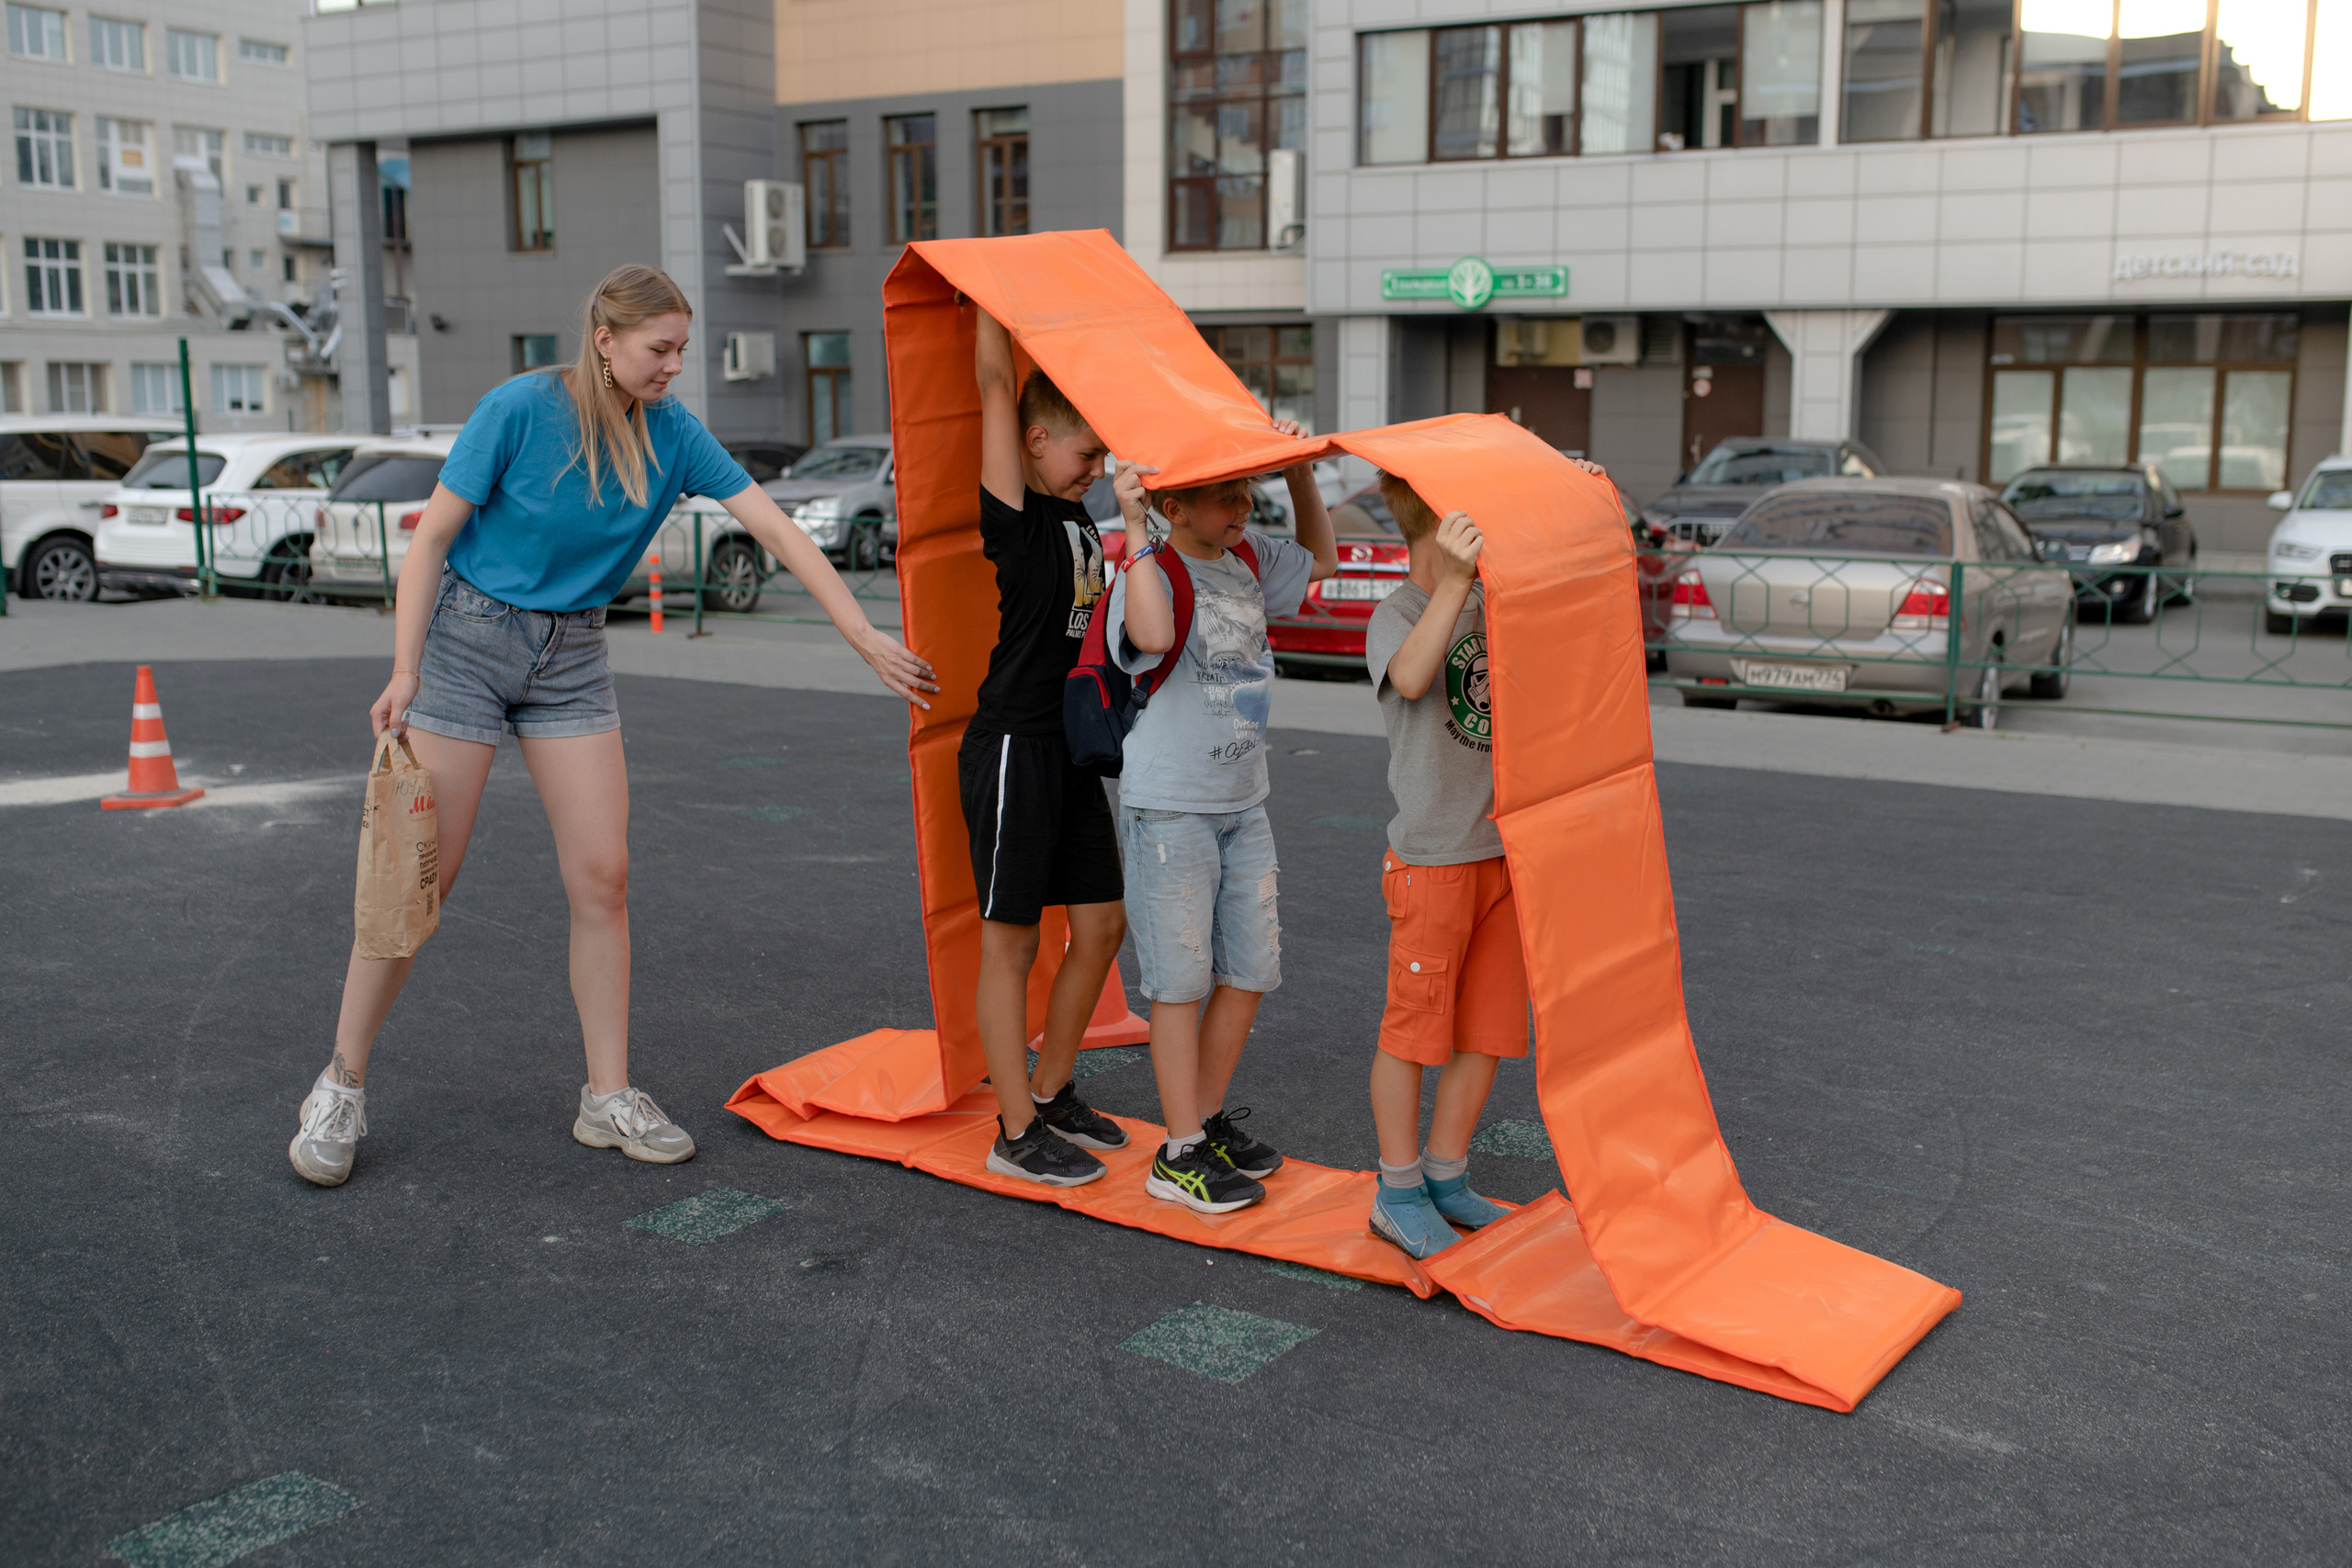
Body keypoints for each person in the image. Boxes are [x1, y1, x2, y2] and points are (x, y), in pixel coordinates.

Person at [288, 265, 936, 1189]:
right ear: (606, 338)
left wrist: (863, 634)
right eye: (659, 348)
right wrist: (404, 670)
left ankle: (607, 1095)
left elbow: (782, 532)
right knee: (416, 882)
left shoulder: (672, 435)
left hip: (574, 660)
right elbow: (430, 539)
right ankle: (340, 1084)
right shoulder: (517, 407)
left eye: (682, 349)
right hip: (466, 647)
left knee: (605, 875)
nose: (675, 365)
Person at [1358, 463, 1601, 1258]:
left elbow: (1570, 606)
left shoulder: (1495, 596)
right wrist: (1455, 582)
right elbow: (1415, 674)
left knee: (1486, 1034)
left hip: (1504, 853)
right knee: (1411, 1034)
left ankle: (1445, 1174)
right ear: (1436, 532)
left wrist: (1569, 498)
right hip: (1433, 860)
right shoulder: (1398, 613)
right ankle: (1396, 1191)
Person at [1105, 431, 1335, 1213]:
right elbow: (1152, 637)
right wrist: (1135, 532)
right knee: (1178, 983)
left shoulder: (1246, 557)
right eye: (1225, 495)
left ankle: (1198, 1122)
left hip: (1244, 802)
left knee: (1250, 970)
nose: (1244, 505)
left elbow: (1322, 562)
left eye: (1248, 491)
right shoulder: (1154, 569)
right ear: (1174, 507)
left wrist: (1302, 472)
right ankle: (1177, 1154)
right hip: (1172, 805)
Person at [964, 310, 1135, 1189]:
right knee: (1012, 944)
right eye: (1085, 455)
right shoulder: (1017, 515)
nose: (1097, 469)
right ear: (1034, 443)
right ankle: (1016, 1127)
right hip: (1011, 746)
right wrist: (995, 300)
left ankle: (1054, 1086)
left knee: (1103, 923)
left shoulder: (1078, 517)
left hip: (1068, 751)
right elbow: (997, 384)